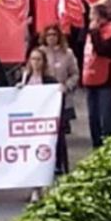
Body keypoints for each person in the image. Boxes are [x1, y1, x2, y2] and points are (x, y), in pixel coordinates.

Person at [82, 0, 111, 149]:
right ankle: (96, 146)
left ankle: (109, 147)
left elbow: (104, 51)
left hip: (107, 80)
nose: (89, 19)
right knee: (93, 117)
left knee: (106, 118)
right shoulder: (91, 30)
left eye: (92, 15)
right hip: (90, 79)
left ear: (100, 17)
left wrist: (94, 32)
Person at [17, 47, 56, 204]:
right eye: (33, 59)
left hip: (42, 124)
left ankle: (37, 188)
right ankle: (31, 186)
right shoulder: (24, 79)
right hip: (27, 124)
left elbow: (55, 95)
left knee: (40, 154)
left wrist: (59, 90)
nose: (35, 63)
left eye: (38, 59)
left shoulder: (50, 81)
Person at [38, 26, 78, 176]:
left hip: (62, 100)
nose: (51, 37)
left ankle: (61, 164)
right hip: (43, 102)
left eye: (54, 34)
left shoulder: (68, 54)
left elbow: (75, 74)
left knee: (60, 134)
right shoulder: (40, 52)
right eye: (48, 35)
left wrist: (67, 86)